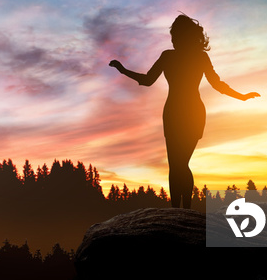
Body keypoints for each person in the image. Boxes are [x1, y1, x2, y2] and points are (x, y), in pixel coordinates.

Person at [109, 14, 259, 209]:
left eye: (175, 35)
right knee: (175, 164)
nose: (172, 39)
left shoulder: (198, 56)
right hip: (173, 113)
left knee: (180, 163)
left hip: (191, 113)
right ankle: (176, 209)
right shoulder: (168, 56)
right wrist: (123, 70)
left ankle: (185, 209)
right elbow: (147, 80)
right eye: (172, 35)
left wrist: (242, 96)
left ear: (184, 37)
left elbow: (217, 84)